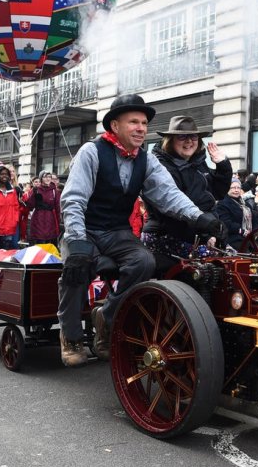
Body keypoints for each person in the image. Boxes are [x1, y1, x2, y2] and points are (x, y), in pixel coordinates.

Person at [58, 95, 224, 367]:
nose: (141, 128)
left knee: (144, 261)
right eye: (133, 122)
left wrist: (200, 218)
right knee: (77, 267)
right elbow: (73, 200)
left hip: (116, 232)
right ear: (114, 125)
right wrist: (76, 243)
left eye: (144, 123)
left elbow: (168, 194)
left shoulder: (145, 159)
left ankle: (106, 319)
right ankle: (71, 336)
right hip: (84, 229)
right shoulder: (91, 152)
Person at [141, 115, 232, 265]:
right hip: (166, 235)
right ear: (170, 141)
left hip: (198, 231)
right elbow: (175, 209)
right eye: (182, 136)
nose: (189, 141)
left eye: (193, 137)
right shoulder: (161, 167)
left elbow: (217, 193)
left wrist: (223, 166)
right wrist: (206, 234)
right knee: (221, 267)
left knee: (238, 263)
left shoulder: (197, 163)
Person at [23, 171, 62, 246]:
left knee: (50, 242)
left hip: (51, 220)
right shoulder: (36, 190)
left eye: (49, 177)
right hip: (38, 219)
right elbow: (30, 206)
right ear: (41, 178)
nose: (48, 179)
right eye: (45, 177)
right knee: (39, 242)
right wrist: (33, 194)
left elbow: (58, 208)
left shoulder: (54, 191)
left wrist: (58, 222)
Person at [215, 180, 252, 250]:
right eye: (233, 188)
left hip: (249, 237)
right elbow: (226, 222)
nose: (236, 190)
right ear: (228, 189)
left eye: (238, 188)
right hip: (233, 237)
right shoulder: (222, 204)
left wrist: (254, 232)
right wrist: (242, 230)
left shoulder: (246, 204)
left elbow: (255, 219)